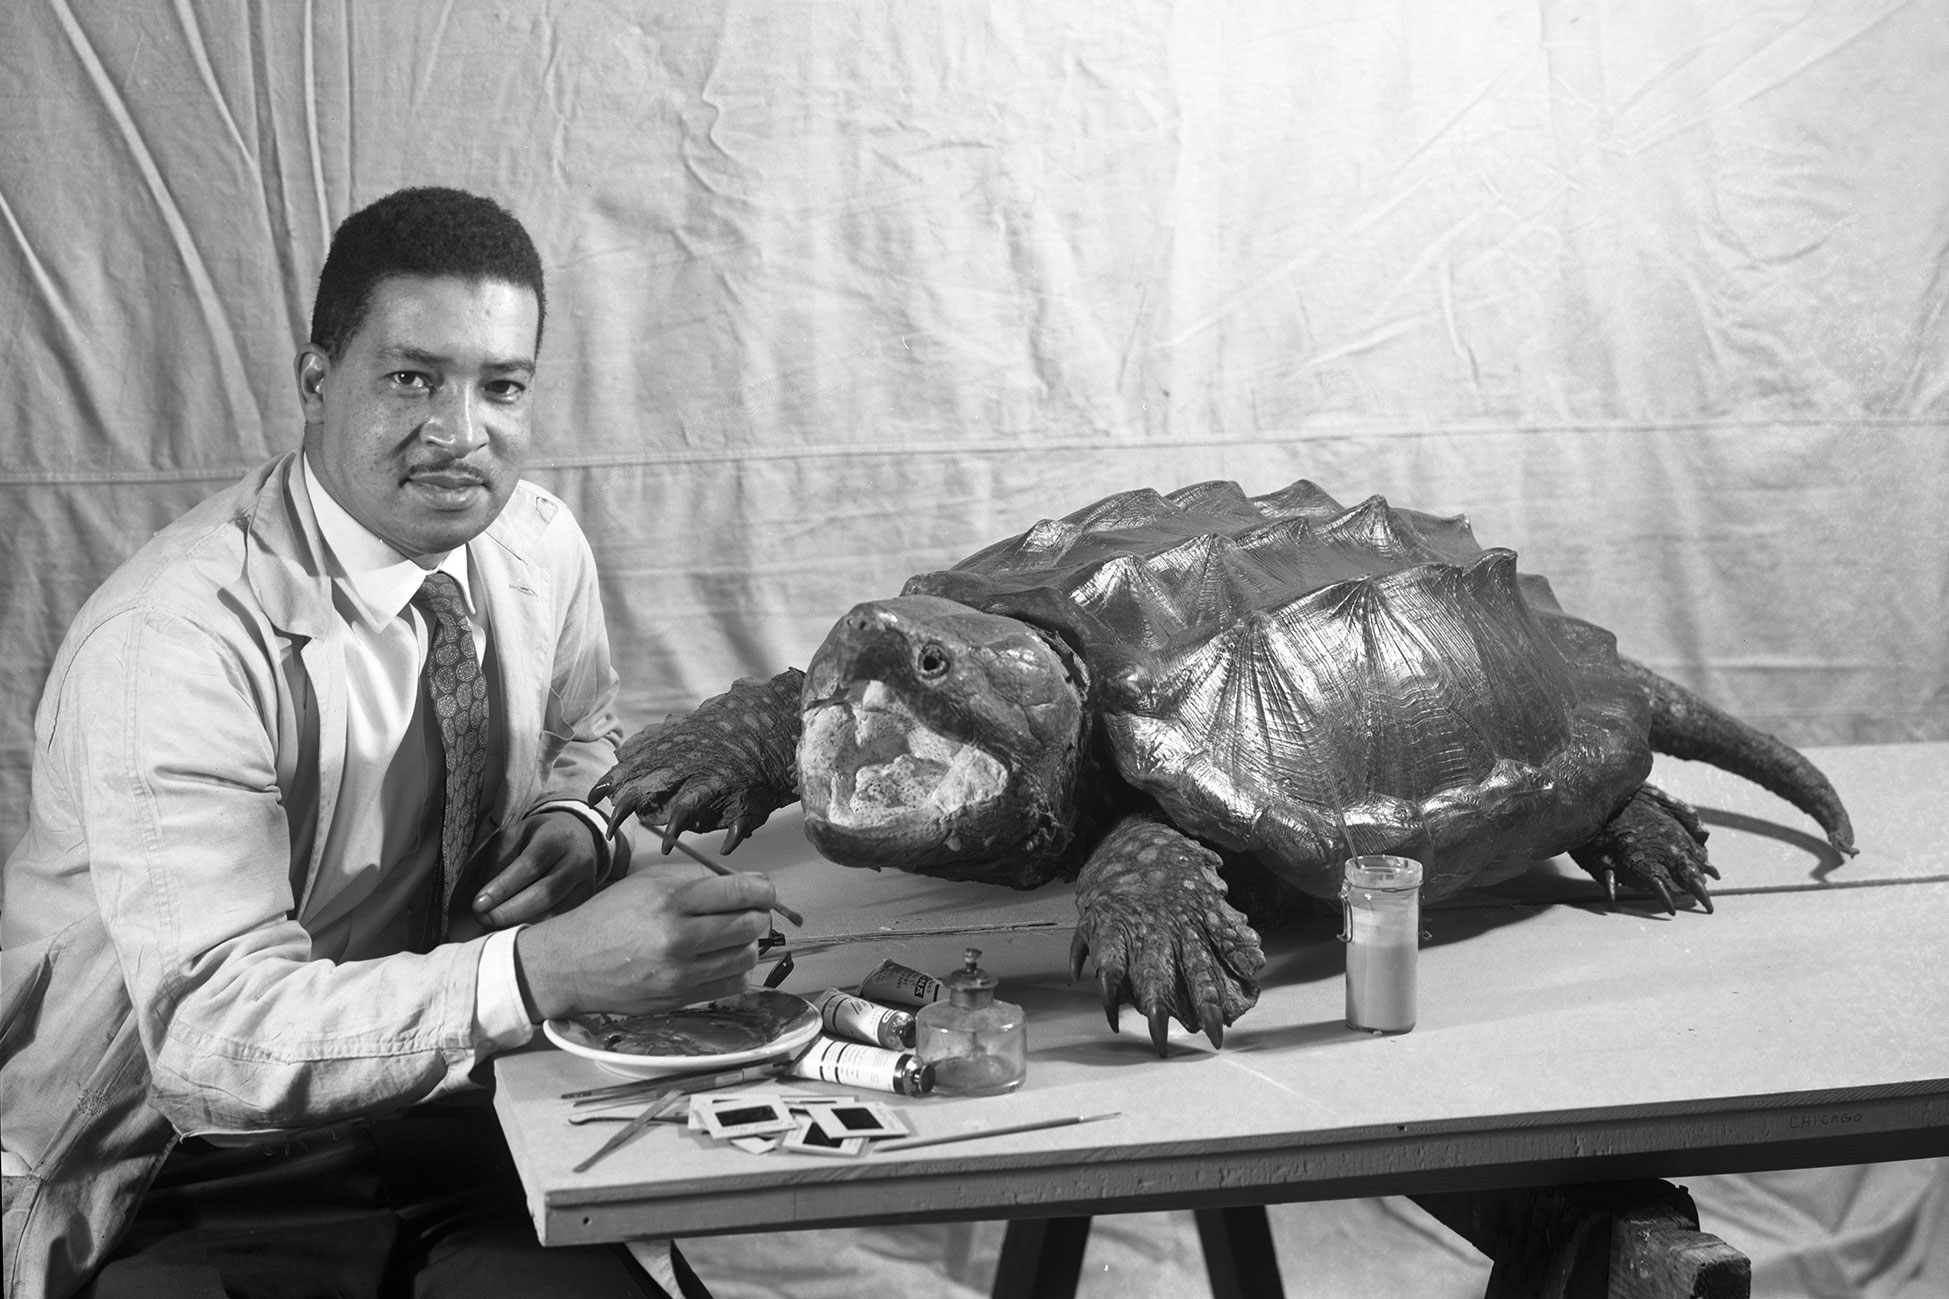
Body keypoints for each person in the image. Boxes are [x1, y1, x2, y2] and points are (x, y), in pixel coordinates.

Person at [0, 187, 775, 1299]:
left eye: (500, 387)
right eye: (412, 378)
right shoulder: (172, 640)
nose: (460, 433)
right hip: (183, 1170)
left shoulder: (538, 545)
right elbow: (215, 1044)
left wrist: (576, 824)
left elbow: (579, 734)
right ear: (318, 383)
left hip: (462, 1113)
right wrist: (543, 967)